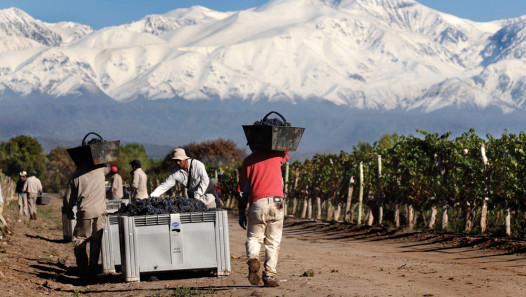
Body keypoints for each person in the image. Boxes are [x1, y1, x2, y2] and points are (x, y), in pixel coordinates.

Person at [238, 150, 289, 287]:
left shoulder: (248, 161)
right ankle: (269, 276)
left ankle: (253, 258)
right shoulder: (277, 156)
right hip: (277, 202)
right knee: (273, 241)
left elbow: (242, 190)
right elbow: (286, 154)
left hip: (257, 202)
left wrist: (242, 211)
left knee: (254, 238)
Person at [63, 164, 110, 282]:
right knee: (96, 243)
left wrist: (68, 209)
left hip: (85, 213)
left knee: (80, 240)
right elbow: (109, 167)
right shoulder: (100, 170)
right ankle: (93, 271)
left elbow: (69, 198)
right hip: (101, 213)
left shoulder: (75, 175)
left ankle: (83, 271)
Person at [150, 148, 219, 208]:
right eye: (176, 161)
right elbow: (165, 185)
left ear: (185, 159)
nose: (178, 162)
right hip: (194, 197)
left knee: (213, 211)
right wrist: (152, 196)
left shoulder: (197, 165)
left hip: (207, 193)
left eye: (180, 160)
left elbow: (205, 180)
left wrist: (198, 195)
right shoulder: (176, 173)